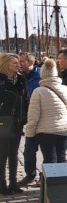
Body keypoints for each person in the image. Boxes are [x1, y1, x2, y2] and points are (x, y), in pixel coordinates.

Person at [24, 59, 67, 164]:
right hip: (65, 129)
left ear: (42, 74)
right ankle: (64, 179)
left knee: (49, 159)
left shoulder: (38, 91)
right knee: (62, 158)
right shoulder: (66, 89)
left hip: (47, 131)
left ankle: (50, 180)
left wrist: (30, 133)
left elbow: (33, 115)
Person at [0, 54, 29, 195]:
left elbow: (26, 99)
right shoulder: (1, 80)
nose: (18, 65)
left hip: (18, 121)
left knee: (14, 154)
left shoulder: (21, 80)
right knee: (2, 155)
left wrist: (25, 116)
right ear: (6, 64)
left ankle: (13, 183)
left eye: (18, 63)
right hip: (3, 121)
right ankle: (2, 185)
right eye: (15, 63)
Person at [18, 53, 40, 186]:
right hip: (29, 118)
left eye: (22, 61)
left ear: (30, 62)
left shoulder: (39, 77)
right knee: (29, 150)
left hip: (41, 118)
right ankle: (30, 174)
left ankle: (46, 176)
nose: (19, 64)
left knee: (47, 150)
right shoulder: (21, 78)